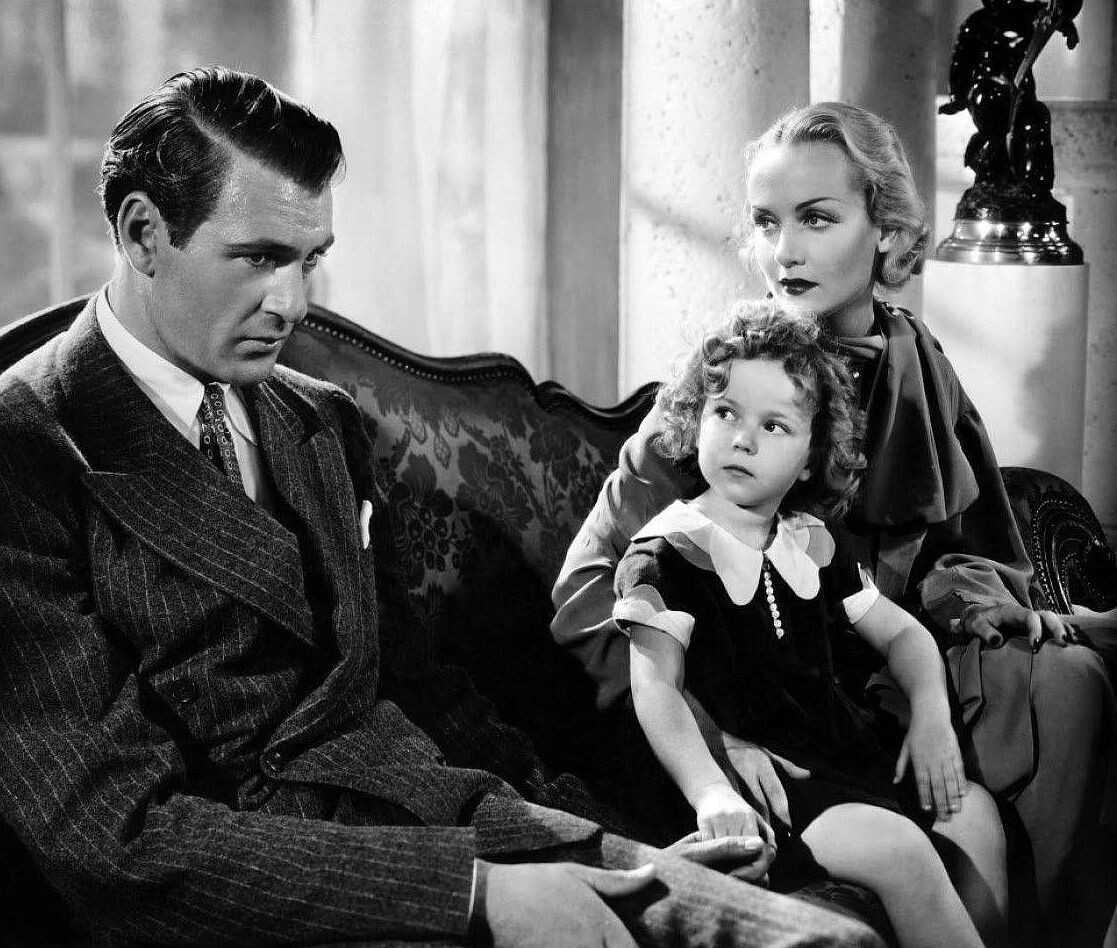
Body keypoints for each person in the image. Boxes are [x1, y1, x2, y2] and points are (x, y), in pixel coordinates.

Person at [0, 69, 883, 948]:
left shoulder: (317, 419)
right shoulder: (27, 448)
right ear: (144, 232)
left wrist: (609, 839)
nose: (292, 304)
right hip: (274, 900)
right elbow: (116, 842)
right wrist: (475, 894)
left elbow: (423, 691)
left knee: (825, 940)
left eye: (309, 260)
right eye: (259, 258)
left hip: (451, 823)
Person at [552, 101, 1116, 947]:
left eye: (815, 219)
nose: (784, 250)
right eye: (766, 222)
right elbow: (588, 592)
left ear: (885, 230)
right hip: (753, 693)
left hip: (882, 655)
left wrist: (971, 604)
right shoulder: (731, 382)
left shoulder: (918, 361)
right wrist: (718, 740)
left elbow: (962, 543)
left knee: (1072, 685)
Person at [615, 300, 1007, 947]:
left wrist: (931, 712)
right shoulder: (667, 553)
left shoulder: (810, 541)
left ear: (809, 455)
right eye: (725, 413)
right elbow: (654, 687)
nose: (742, 439)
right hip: (758, 783)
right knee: (899, 849)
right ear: (694, 417)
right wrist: (710, 790)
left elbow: (903, 633)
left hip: (840, 756)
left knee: (974, 815)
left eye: (774, 425)